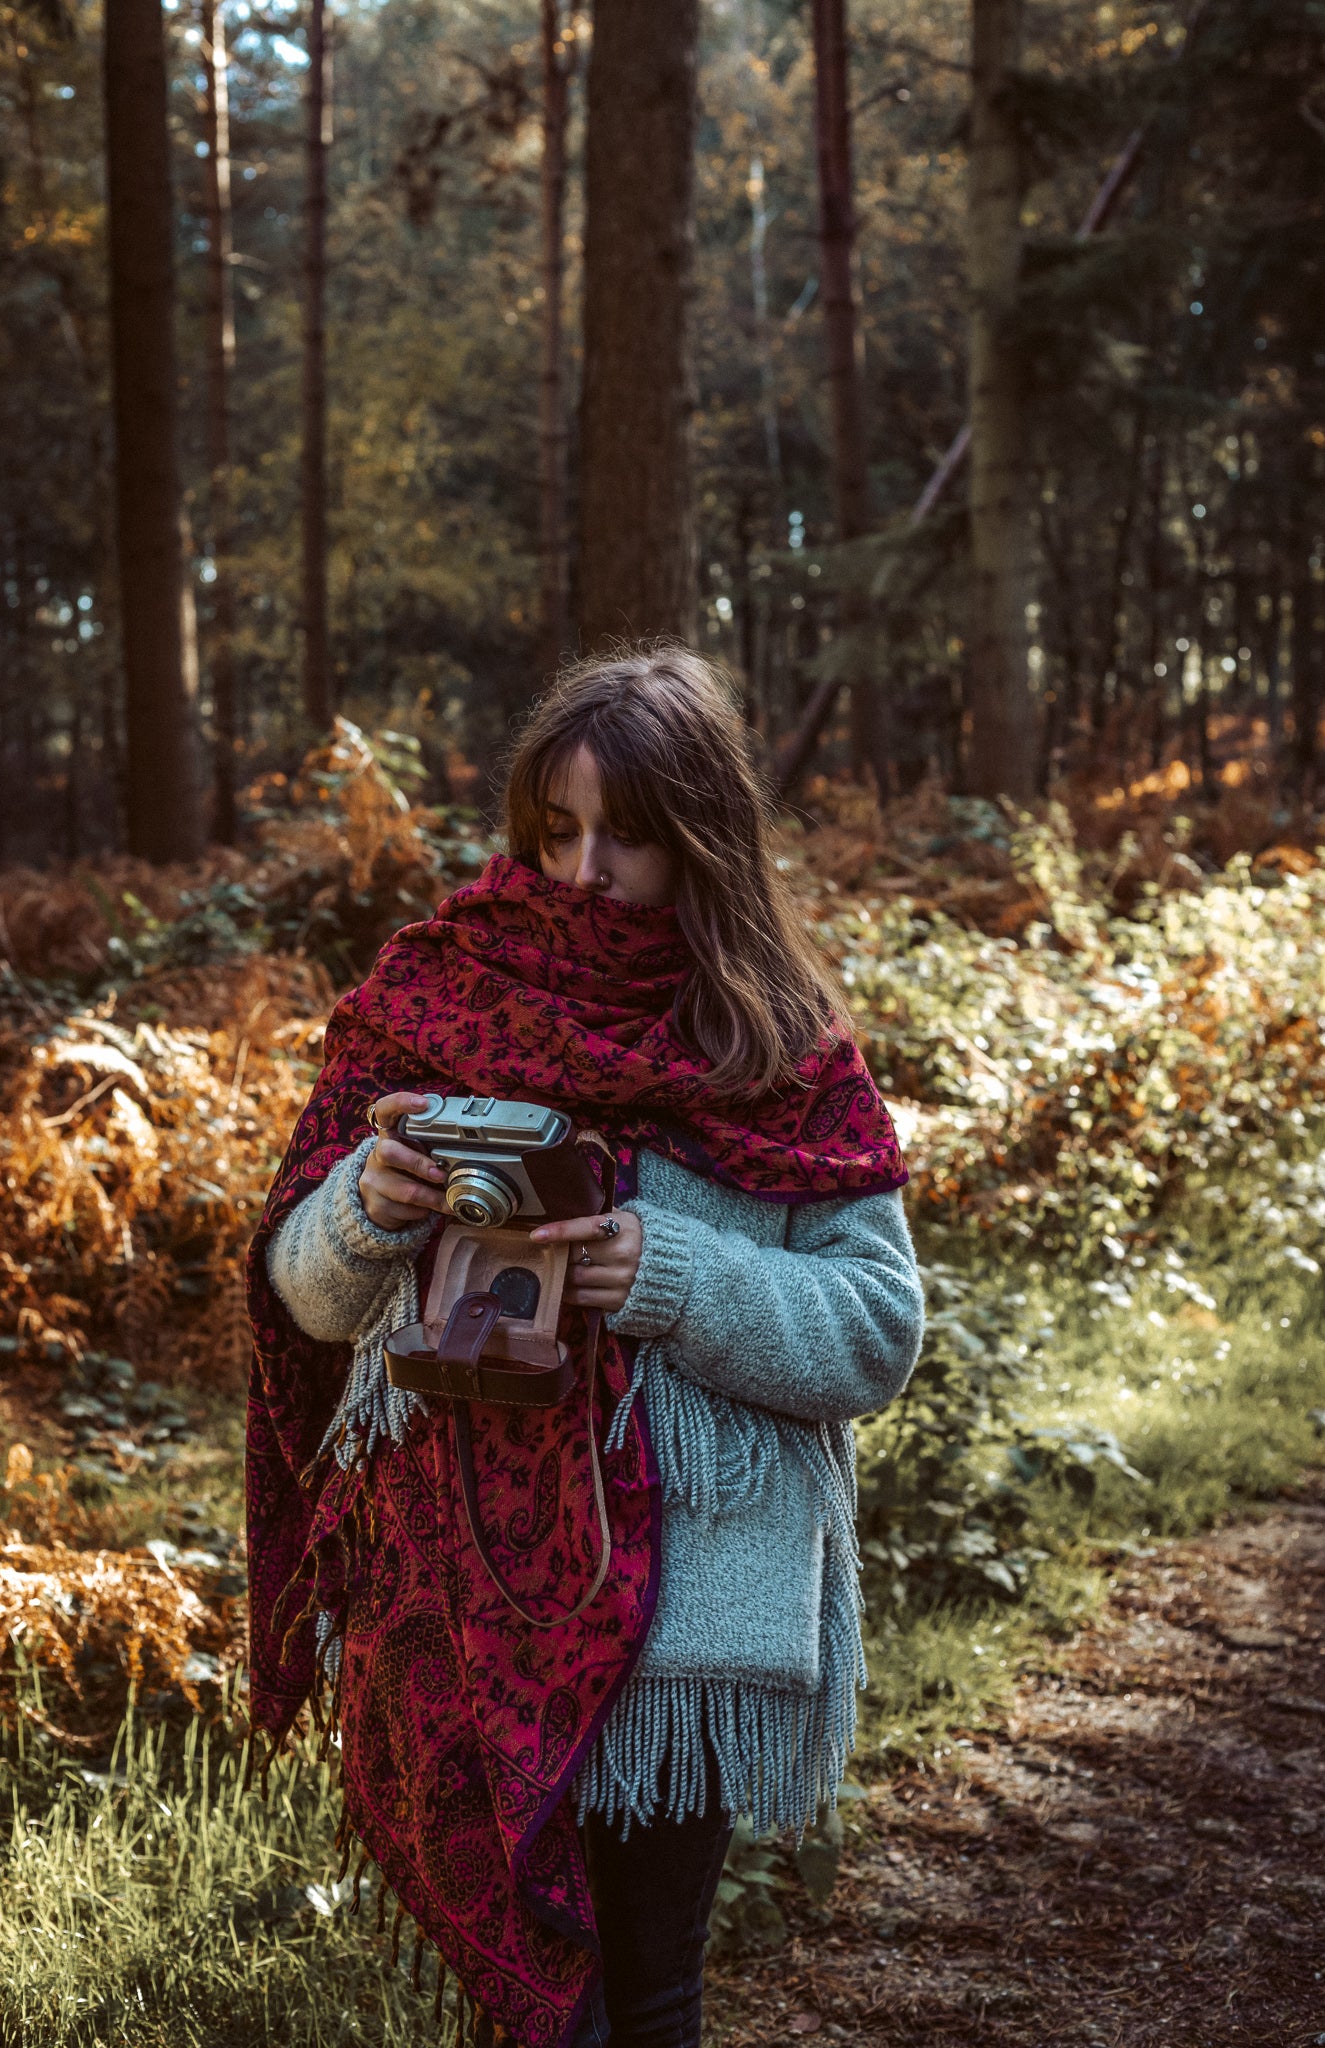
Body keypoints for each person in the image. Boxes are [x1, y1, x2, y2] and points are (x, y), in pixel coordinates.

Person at [246, 646, 923, 2048]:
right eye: (555, 829)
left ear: (703, 838)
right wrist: (362, 1214)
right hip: (458, 1609)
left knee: (643, 1993)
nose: (582, 868)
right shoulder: (436, 1000)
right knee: (520, 2008)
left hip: (685, 1616)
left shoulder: (778, 1044)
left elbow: (873, 1332)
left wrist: (669, 1274)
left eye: (627, 834)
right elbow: (304, 1307)